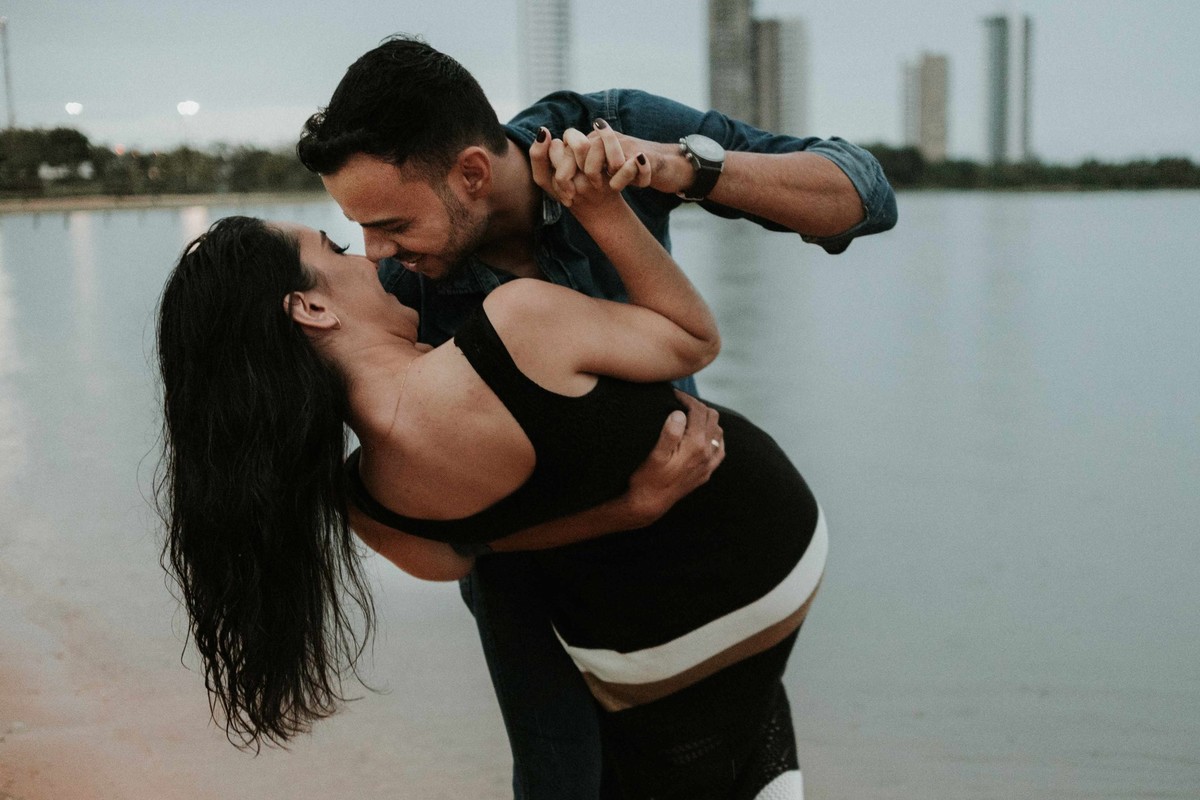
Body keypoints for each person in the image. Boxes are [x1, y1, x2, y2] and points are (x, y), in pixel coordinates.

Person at [293, 35, 897, 800]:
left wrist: (679, 167)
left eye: (393, 224)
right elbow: (426, 532)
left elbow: (864, 194)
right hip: (533, 588)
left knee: (736, 763)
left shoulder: (609, 130)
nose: (377, 251)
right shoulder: (397, 297)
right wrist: (617, 509)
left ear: (472, 173)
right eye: (361, 230)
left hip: (695, 549)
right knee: (563, 782)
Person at [157, 132, 827, 798]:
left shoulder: (366, 501)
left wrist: (624, 511)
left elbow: (469, 550)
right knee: (738, 738)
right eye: (334, 249)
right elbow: (696, 337)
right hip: (739, 566)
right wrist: (596, 206)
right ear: (310, 307)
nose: (369, 257)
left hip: (641, 655)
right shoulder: (514, 324)